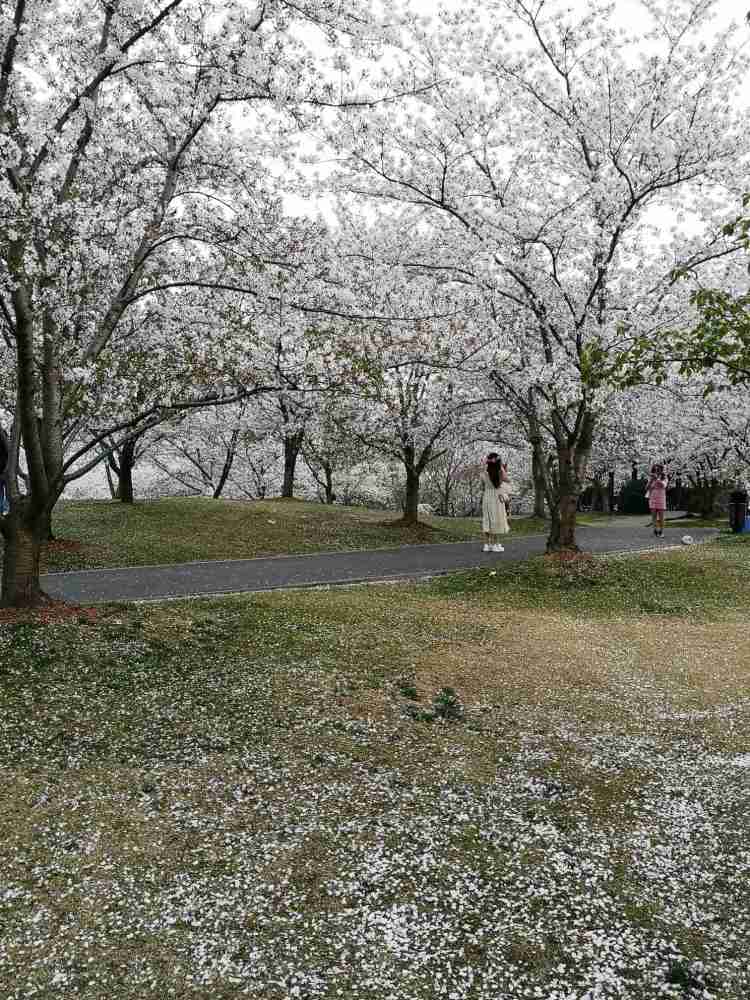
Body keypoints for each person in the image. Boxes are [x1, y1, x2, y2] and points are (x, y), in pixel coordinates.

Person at [481, 453, 509, 552]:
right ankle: (495, 544)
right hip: (497, 497)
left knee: (487, 519)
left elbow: (483, 476)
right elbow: (507, 480)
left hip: (487, 497)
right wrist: (502, 468)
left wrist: (485, 464)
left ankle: (486, 545)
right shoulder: (500, 472)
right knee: (496, 519)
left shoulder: (484, 471)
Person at [646, 463, 668, 537]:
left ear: (661, 470)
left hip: (661, 498)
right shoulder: (651, 478)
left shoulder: (664, 477)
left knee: (661, 517)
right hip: (653, 498)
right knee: (654, 516)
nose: (656, 471)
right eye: (655, 470)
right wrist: (651, 480)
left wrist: (657, 479)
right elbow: (646, 488)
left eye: (658, 469)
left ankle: (662, 531)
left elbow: (664, 485)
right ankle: (655, 530)